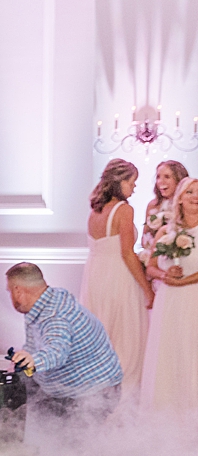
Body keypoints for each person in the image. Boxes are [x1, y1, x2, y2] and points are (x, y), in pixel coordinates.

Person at [7, 262, 123, 421]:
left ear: (18, 290)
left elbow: (57, 352)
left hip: (92, 392)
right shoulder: (50, 299)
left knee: (72, 443)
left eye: (9, 291)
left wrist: (33, 361)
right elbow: (37, 345)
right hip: (72, 386)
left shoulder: (55, 317)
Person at [81, 159, 153, 398]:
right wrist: (147, 289)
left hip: (95, 279)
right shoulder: (124, 210)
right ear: (119, 182)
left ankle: (97, 399)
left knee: (102, 338)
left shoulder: (95, 210)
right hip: (118, 280)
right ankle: (123, 403)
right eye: (132, 182)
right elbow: (126, 254)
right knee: (126, 341)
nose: (134, 188)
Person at [140, 176, 198, 411]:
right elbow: (151, 267)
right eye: (190, 192)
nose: (195, 197)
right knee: (168, 352)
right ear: (180, 199)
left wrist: (184, 281)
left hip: (193, 296)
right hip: (169, 300)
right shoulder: (166, 230)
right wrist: (165, 276)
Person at [142, 160, 190, 267]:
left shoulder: (190, 204)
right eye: (158, 177)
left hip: (184, 259)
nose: (161, 181)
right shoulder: (153, 205)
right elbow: (144, 238)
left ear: (179, 180)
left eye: (167, 177)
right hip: (157, 260)